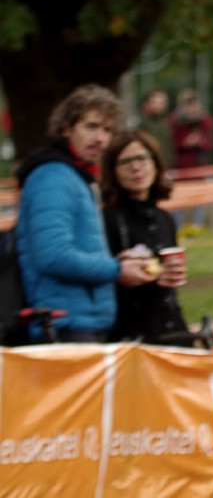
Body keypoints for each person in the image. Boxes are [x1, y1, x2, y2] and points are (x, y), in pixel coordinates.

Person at [14, 84, 157, 342]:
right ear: (67, 129)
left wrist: (118, 262)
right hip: (63, 324)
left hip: (81, 321)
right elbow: (53, 256)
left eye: (107, 130)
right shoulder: (53, 177)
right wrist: (116, 269)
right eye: (91, 126)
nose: (100, 138)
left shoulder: (75, 176)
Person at [100, 130, 194, 346]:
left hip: (172, 331)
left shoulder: (165, 219)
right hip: (133, 338)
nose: (136, 167)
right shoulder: (108, 219)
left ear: (155, 163)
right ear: (113, 171)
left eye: (142, 158)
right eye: (125, 162)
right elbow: (104, 281)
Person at [168, 88, 213, 171]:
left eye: (192, 102)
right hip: (182, 164)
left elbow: (209, 143)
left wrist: (200, 141)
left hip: (200, 164)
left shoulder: (204, 120)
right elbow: (170, 143)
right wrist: (185, 143)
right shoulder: (174, 121)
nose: (191, 107)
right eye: (187, 103)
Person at [137, 89, 174, 169]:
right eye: (156, 102)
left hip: (167, 165)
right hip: (149, 165)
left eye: (162, 102)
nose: (160, 106)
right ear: (149, 103)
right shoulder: (143, 123)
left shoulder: (169, 122)